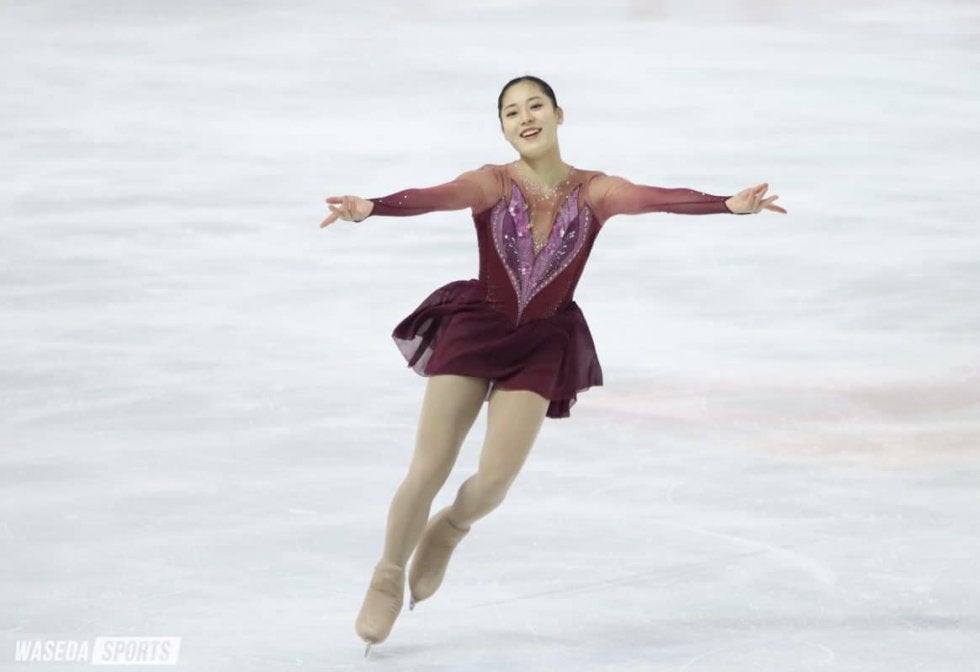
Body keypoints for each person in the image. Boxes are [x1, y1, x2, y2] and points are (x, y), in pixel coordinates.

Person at [319, 75, 786, 655]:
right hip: (477, 328)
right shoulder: (491, 183)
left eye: (535, 105)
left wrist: (727, 205)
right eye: (512, 112)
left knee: (494, 483)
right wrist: (373, 207)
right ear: (503, 128)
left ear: (559, 114)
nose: (525, 117)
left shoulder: (596, 192)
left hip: (541, 343)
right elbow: (436, 195)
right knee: (430, 466)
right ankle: (388, 574)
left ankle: (450, 528)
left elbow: (656, 197)